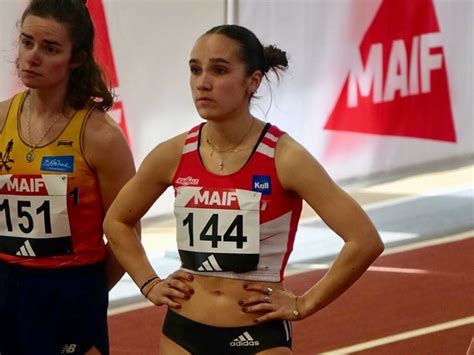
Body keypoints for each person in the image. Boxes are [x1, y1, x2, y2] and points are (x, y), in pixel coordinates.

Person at [103, 24, 384, 355]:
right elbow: (116, 221)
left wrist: (303, 304)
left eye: (219, 70)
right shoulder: (173, 153)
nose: (202, 83)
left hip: (258, 334)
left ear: (253, 81)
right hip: (183, 332)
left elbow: (364, 241)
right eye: (195, 70)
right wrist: (149, 283)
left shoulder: (286, 158)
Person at [0, 0, 136, 354]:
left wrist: (87, 293)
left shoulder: (100, 136)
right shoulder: (0, 119)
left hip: (71, 289)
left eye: (50, 49)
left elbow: (127, 232)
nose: (32, 57)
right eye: (27, 42)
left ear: (76, 58)